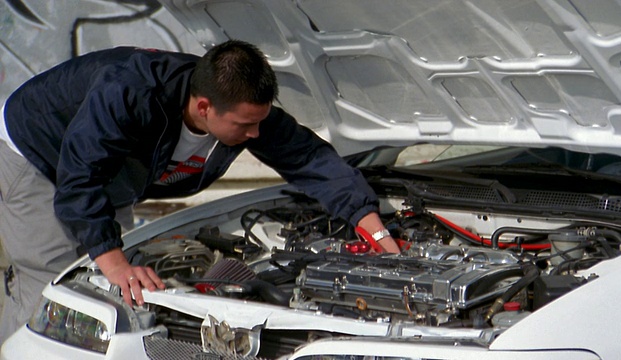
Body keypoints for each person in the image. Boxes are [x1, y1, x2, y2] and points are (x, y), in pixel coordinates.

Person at [0, 40, 400, 344]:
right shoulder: (128, 92)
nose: (256, 134)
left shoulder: (239, 106)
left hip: (110, 171)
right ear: (205, 107)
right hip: (38, 154)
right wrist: (116, 263)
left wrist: (374, 229)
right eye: (245, 125)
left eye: (259, 122)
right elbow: (79, 176)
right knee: (55, 288)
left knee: (108, 292)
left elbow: (308, 158)